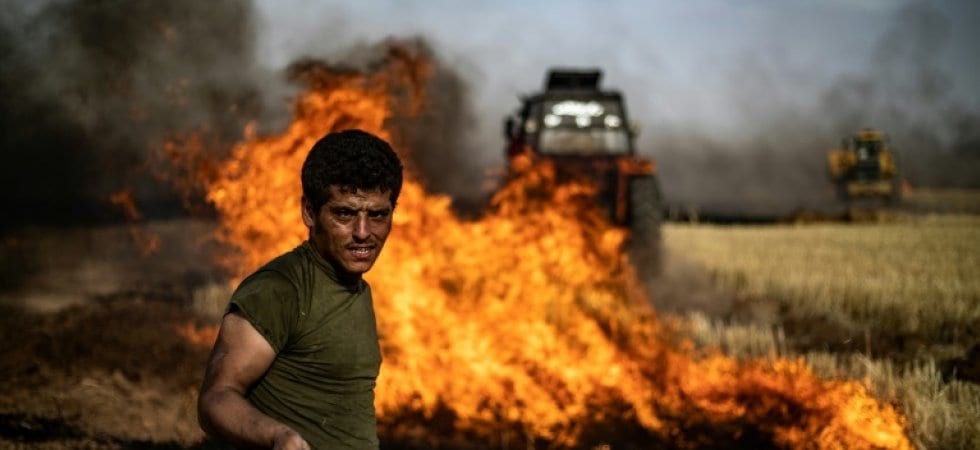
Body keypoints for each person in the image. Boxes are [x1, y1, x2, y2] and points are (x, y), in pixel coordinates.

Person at [197, 129, 403, 450]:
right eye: (344, 213)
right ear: (309, 212)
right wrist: (278, 436)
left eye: (377, 215)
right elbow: (216, 398)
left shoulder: (358, 289)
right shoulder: (279, 290)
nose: (363, 232)